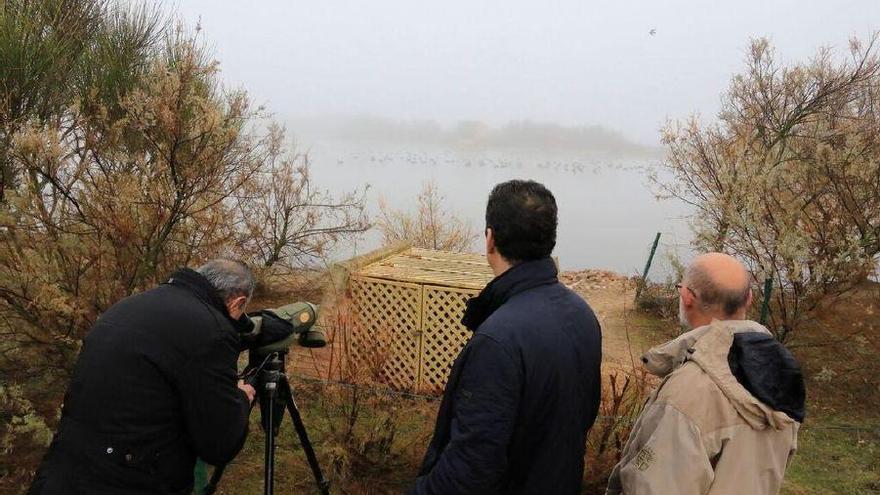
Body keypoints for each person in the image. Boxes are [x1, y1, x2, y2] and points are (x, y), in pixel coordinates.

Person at [412, 180, 603, 495]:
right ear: (549, 239)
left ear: (490, 239)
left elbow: (469, 469)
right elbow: (584, 414)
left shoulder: (498, 340)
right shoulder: (582, 314)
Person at [29, 259, 257, 495]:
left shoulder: (127, 306)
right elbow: (219, 445)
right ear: (237, 302)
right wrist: (240, 397)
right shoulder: (212, 331)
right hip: (129, 482)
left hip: (59, 473)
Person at [606, 253, 805, 495]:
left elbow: (655, 487)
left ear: (687, 297)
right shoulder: (781, 377)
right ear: (750, 299)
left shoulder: (688, 392)